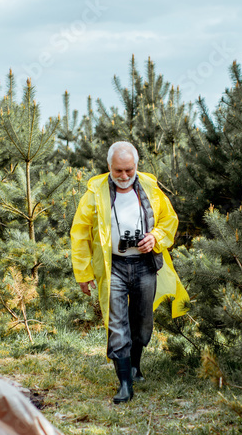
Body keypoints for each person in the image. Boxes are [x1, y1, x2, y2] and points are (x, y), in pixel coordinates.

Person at [70, 141, 189, 404]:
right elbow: (79, 235)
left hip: (146, 264)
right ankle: (124, 384)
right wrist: (83, 272)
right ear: (109, 167)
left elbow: (169, 220)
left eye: (129, 170)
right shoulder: (94, 192)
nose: (124, 177)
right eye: (118, 171)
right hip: (114, 266)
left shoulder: (150, 187)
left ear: (136, 165)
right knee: (117, 324)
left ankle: (135, 366)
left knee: (142, 321)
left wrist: (154, 237)